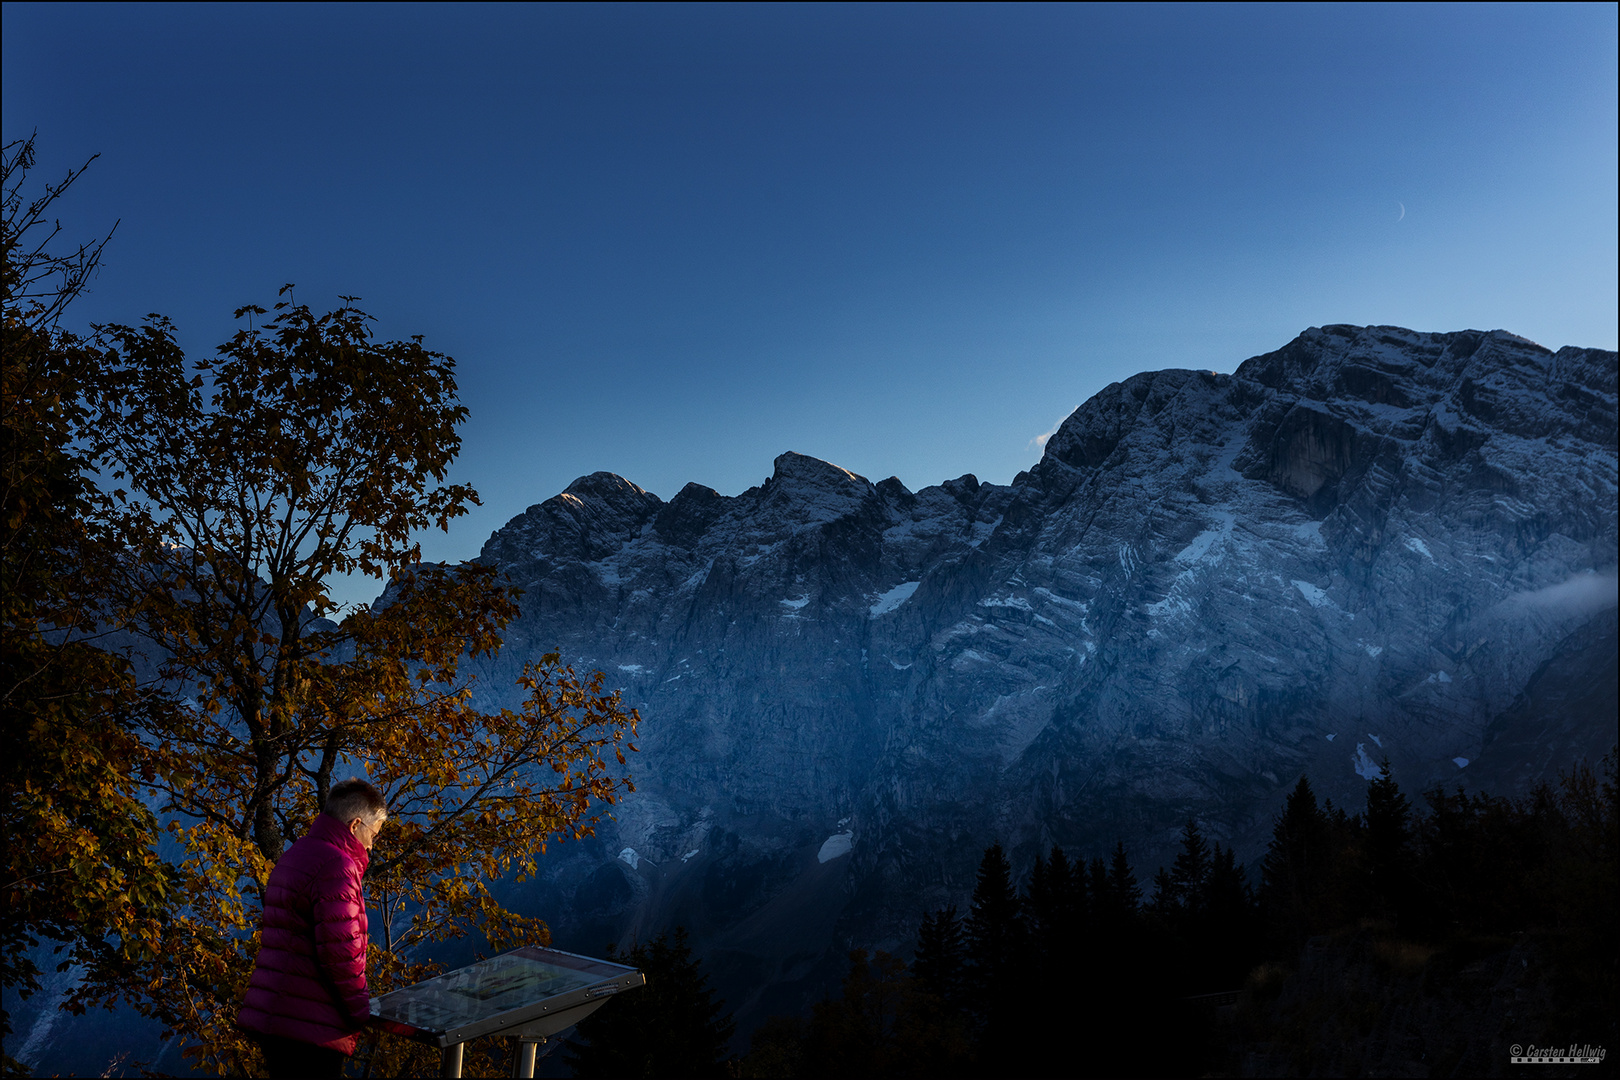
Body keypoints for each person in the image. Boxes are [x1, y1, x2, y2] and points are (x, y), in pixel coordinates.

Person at [238, 778, 387, 1078]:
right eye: (374, 833)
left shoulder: (299, 853)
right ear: (356, 824)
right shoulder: (337, 867)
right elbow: (340, 954)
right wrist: (359, 1012)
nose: (372, 843)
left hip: (280, 1014)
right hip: (310, 1026)